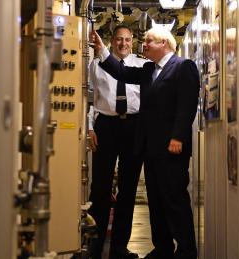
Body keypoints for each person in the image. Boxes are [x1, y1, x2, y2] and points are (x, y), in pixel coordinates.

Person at [91, 27, 199, 259]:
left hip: (172, 147)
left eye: (149, 41)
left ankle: (186, 251)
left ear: (164, 43)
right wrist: (101, 51)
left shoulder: (183, 67)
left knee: (174, 200)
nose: (144, 45)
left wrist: (178, 137)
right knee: (156, 201)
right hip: (150, 148)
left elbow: (186, 106)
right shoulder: (149, 69)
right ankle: (163, 249)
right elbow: (121, 72)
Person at [87, 25, 147, 259]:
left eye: (127, 39)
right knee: (99, 188)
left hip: (133, 126)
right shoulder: (96, 65)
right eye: (119, 39)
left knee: (128, 189)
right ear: (112, 41)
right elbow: (89, 98)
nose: (123, 43)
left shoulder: (141, 65)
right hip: (106, 127)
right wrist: (90, 127)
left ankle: (119, 248)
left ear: (132, 41)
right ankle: (95, 244)